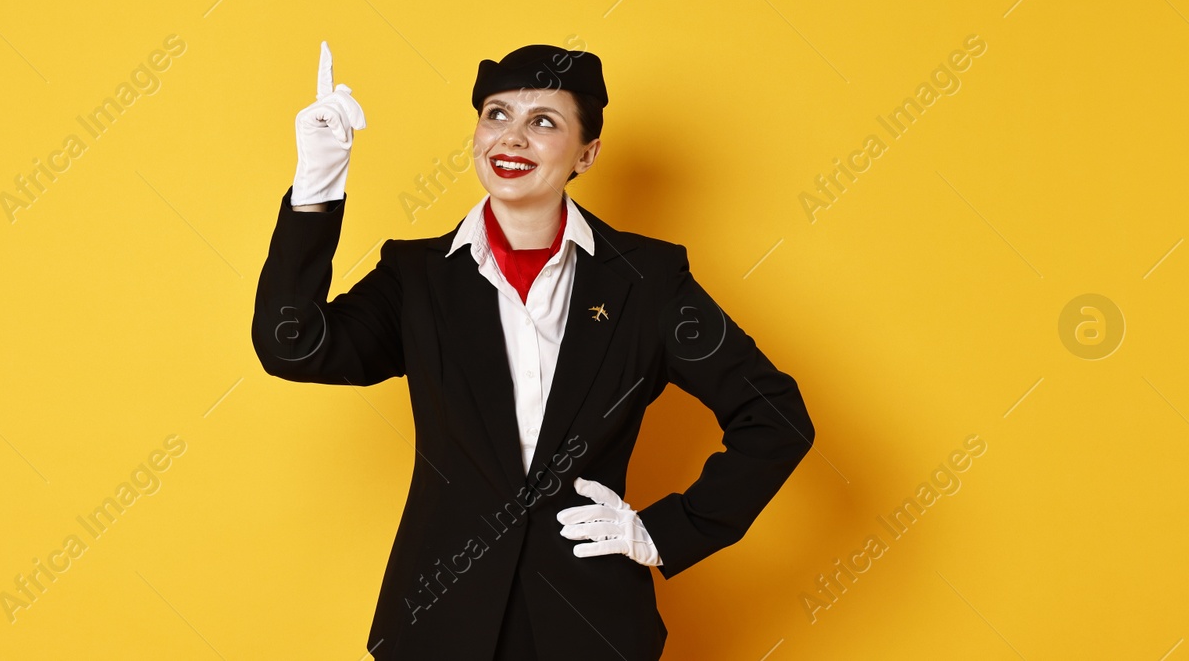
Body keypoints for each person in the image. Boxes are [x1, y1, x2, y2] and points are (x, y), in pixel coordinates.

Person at [252, 41, 814, 660]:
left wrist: (661, 532)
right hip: (438, 624)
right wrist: (317, 183)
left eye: (542, 121)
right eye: (497, 115)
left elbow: (775, 417)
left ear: (587, 153)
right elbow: (294, 347)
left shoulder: (648, 281)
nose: (511, 138)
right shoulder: (416, 278)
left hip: (591, 625)